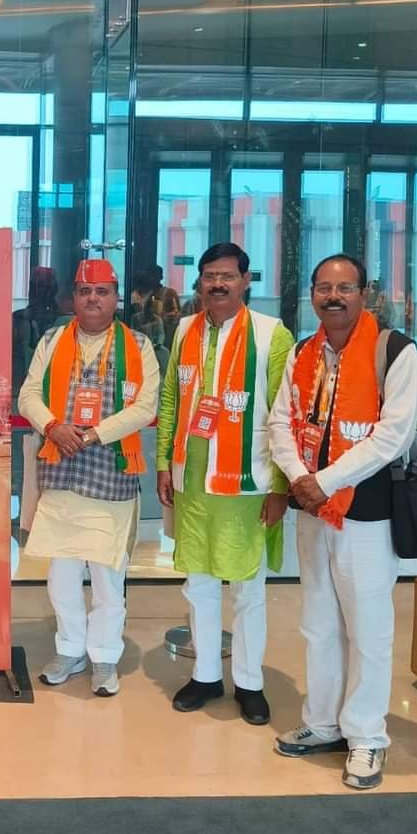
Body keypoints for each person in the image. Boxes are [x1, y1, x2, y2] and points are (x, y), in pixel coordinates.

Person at [268, 253, 417, 791]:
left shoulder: (395, 352)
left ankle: (366, 736)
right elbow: (280, 424)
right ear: (312, 293)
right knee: (318, 623)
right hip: (313, 508)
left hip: (368, 514)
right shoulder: (303, 353)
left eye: (345, 288)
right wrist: (300, 478)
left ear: (364, 293)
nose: (333, 297)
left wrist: (325, 481)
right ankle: (323, 723)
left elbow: (393, 437)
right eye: (324, 288)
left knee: (368, 629)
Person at [157, 242, 293, 725]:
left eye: (227, 276)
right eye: (210, 276)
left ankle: (250, 683)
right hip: (192, 480)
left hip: (249, 483)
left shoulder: (272, 334)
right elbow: (171, 398)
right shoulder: (184, 329)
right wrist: (163, 463)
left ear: (245, 281)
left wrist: (281, 486)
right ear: (200, 282)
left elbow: (285, 413)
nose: (218, 284)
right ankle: (206, 675)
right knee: (199, 584)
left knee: (249, 589)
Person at [18, 259, 160, 697]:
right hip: (60, 470)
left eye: (102, 291)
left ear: (116, 298)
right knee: (61, 576)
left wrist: (94, 434)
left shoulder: (139, 345)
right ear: (73, 298)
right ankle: (69, 649)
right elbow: (28, 394)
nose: (93, 299)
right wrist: (52, 427)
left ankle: (103, 656)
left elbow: (146, 408)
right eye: (85, 291)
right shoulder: (52, 339)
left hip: (111, 474)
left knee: (107, 579)